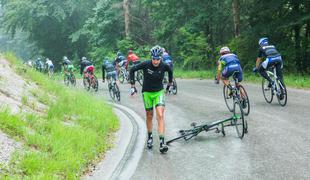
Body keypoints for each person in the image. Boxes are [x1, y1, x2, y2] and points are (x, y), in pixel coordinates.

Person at [129, 45, 173, 154]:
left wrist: (169, 85)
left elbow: (170, 72)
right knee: (149, 115)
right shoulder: (146, 64)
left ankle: (162, 142)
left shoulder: (164, 65)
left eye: (158, 59)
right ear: (151, 57)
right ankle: (150, 137)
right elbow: (132, 70)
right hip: (147, 93)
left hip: (159, 92)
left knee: (160, 115)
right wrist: (133, 85)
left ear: (161, 58)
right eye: (154, 58)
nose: (155, 61)